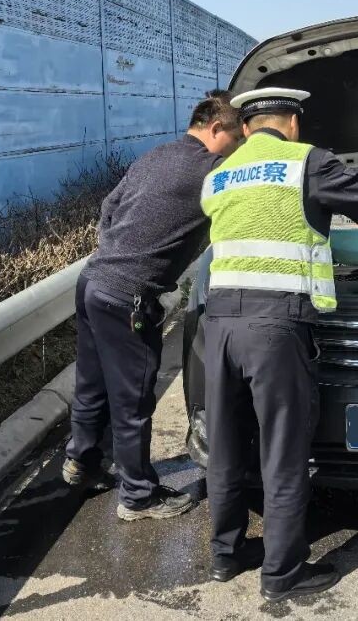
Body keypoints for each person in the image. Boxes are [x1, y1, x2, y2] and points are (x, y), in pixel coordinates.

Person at [200, 87, 358, 601]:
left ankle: (225, 554)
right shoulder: (306, 163)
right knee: (283, 450)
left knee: (228, 443)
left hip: (220, 323)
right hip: (274, 327)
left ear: (247, 125)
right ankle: (283, 575)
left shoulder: (219, 174)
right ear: (293, 123)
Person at [64, 91, 244, 521]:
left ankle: (81, 464)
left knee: (91, 385)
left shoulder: (156, 155)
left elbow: (109, 209)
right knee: (132, 400)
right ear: (216, 129)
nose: (237, 147)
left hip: (93, 281)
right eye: (236, 137)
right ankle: (138, 496)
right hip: (128, 297)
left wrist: (122, 254)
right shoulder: (211, 170)